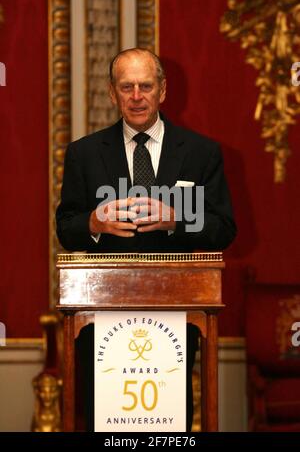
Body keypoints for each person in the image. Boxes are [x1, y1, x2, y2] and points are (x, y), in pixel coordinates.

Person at [56, 48, 236, 431]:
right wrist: (93, 222)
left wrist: (178, 219)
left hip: (177, 312)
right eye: (127, 87)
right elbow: (65, 227)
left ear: (163, 91)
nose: (136, 96)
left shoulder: (201, 153)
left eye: (145, 86)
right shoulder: (84, 154)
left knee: (167, 424)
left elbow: (224, 229)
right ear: (112, 94)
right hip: (102, 311)